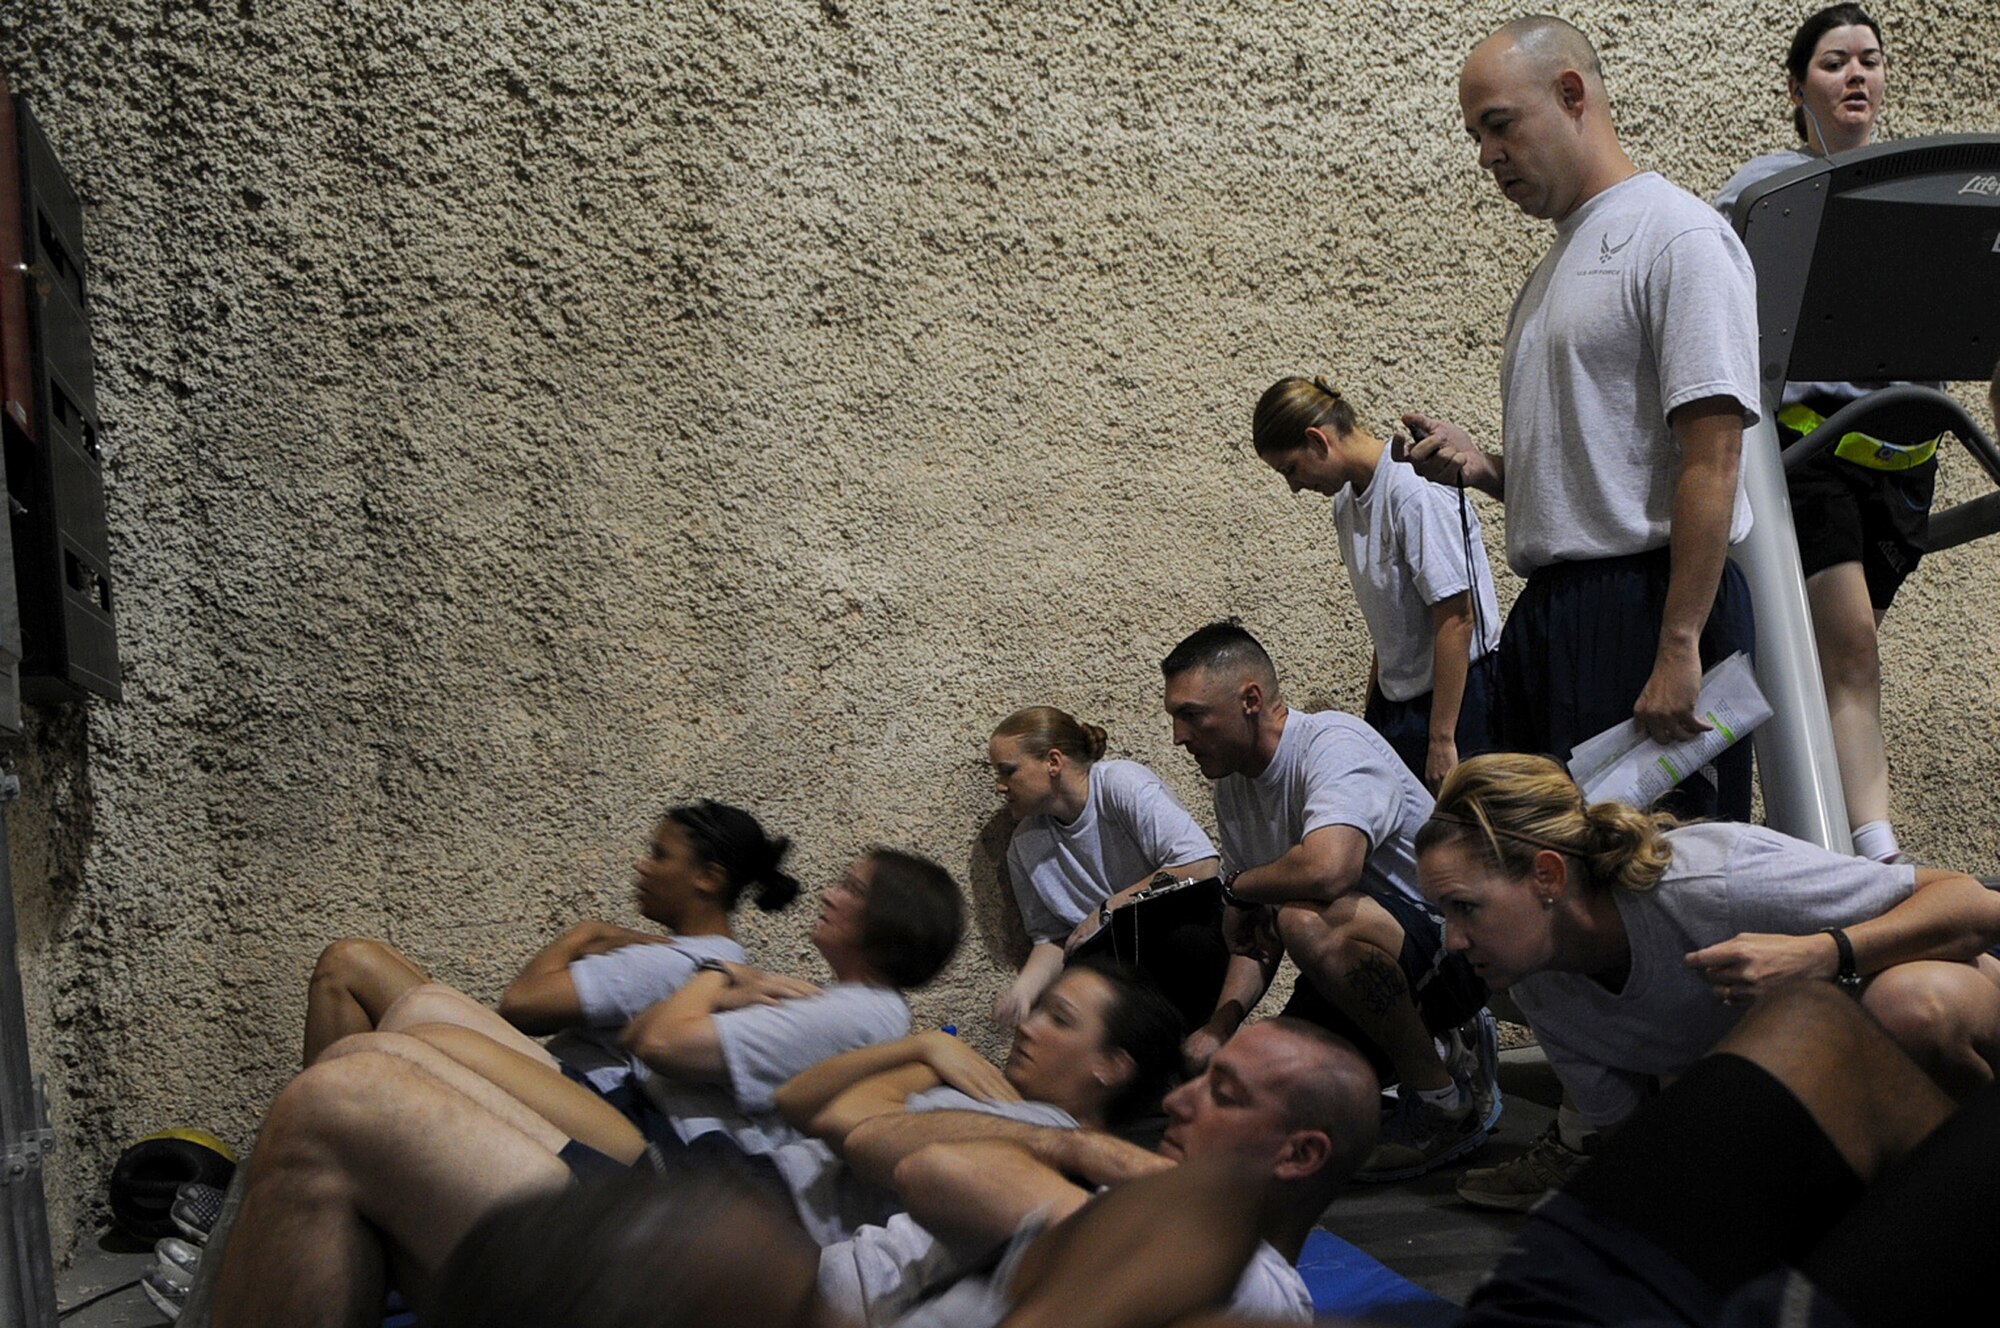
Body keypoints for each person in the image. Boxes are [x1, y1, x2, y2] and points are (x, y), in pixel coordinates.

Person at [203, 850, 964, 1328]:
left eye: (853, 887)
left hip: (665, 1162)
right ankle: (285, 1236)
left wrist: (705, 975)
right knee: (407, 1020)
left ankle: (276, 1232)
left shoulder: (850, 1008)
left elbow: (600, 1025)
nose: (829, 891)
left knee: (362, 1068)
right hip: (665, 1145)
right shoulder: (833, 1003)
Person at [1409, 14, 1760, 822]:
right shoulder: (1550, 269)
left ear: (1571, 94)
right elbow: (1599, 477)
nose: (1486, 155)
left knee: (1658, 882)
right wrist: (1485, 468)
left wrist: (1679, 647)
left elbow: (1713, 459)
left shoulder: (1678, 237)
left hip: (1650, 609)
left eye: (1499, 126)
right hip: (1556, 613)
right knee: (1556, 890)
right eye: (1475, 135)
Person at [1418, 751, 2000, 1210]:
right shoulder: (1539, 987)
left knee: (1908, 1007)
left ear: (1546, 875)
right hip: (1835, 1091)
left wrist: (1823, 954)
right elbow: (1641, 1149)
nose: (1452, 938)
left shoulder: (1713, 883)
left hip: (1953, 1002)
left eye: (1465, 906)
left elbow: (1972, 905)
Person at [1160, 621, 1497, 1181]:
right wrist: (1220, 1028)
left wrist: (1234, 888)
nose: (1178, 736)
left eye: (1191, 714)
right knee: (1266, 1095)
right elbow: (1252, 933)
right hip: (1365, 970)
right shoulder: (1236, 790)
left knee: (1306, 921)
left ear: (1250, 700)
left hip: (1456, 949)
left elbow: (1327, 870)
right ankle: (1441, 1054)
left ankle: (1443, 1105)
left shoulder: (1333, 743)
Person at [1714, 5, 1928, 865]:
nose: (1856, 76)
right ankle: (1873, 851)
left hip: (1903, 461)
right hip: (1809, 449)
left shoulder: (1917, 188)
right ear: (1799, 85)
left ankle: (1832, 836)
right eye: (1835, 61)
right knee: (1851, 649)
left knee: (1836, 663)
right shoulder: (1769, 187)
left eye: (1869, 61)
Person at [864, 1018, 1380, 1325]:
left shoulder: (1258, 1289)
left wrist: (1088, 1153)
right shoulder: (1111, 1179)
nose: (1177, 1100)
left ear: (1298, 1156)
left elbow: (933, 1170)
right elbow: (867, 1137)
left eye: (1223, 1095)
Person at [300, 800, 799, 1066]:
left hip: (557, 1103)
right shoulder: (706, 958)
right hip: (556, 1092)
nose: (642, 866)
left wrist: (586, 934)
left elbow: (521, 1005)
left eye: (660, 855)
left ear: (708, 878)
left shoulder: (677, 962)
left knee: (349, 963)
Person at [767, 958, 1184, 1242]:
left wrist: (924, 1050)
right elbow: (794, 1098)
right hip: (772, 1180)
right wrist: (929, 1050)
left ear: (1111, 1066)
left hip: (779, 1217)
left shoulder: (1047, 1136)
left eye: (1059, 1019)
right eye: (1037, 1009)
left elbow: (840, 1119)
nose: (1027, 1027)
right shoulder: (995, 1090)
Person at [1251, 376, 1502, 789]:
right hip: (1398, 706)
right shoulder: (1346, 503)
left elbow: (1457, 617)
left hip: (1459, 702)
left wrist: (1442, 739)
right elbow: (1388, 619)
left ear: (1318, 440)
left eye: (1291, 469)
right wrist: (1373, 719)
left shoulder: (1412, 489)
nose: (1294, 486)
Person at [989, 706, 1222, 1030]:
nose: (1000, 786)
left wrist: (1109, 909)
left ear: (1053, 763)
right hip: (1112, 968)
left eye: (1008, 771)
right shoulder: (1023, 845)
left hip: (1177, 949)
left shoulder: (1119, 784)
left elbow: (1200, 865)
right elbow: (1053, 940)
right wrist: (1022, 994)